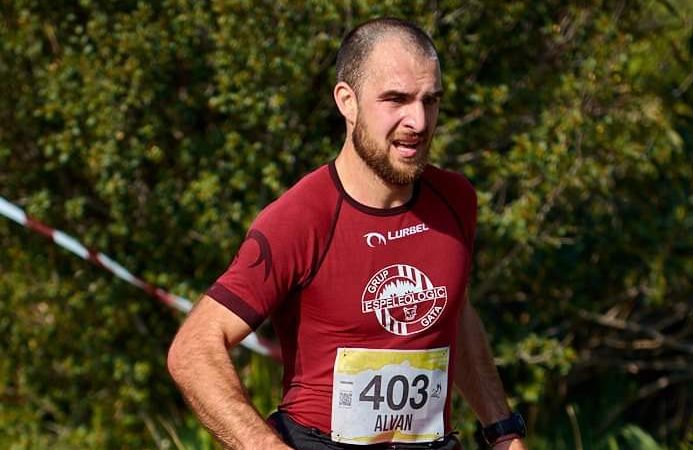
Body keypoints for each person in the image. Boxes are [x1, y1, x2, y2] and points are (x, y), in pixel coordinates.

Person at [167, 17, 528, 450]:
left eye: (430, 100)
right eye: (396, 99)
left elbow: (455, 312)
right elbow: (193, 350)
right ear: (347, 101)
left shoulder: (455, 200)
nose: (418, 120)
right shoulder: (300, 218)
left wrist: (503, 430)